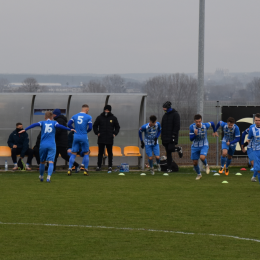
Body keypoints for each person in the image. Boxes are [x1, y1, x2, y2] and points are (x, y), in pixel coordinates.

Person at [19, 111, 75, 182]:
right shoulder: (54, 123)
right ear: (52, 117)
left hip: (43, 145)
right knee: (51, 161)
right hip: (52, 145)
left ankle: (41, 176)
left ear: (45, 117)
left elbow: (34, 125)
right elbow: (61, 126)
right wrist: (70, 129)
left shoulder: (42, 122)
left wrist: (25, 129)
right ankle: (48, 177)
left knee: (42, 162)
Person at [93, 105, 120, 173]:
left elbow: (117, 127)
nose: (106, 111)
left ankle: (110, 166)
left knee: (110, 153)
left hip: (109, 138)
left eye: (108, 110)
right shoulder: (99, 117)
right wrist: (97, 132)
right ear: (104, 110)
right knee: (100, 153)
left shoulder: (113, 118)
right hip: (101, 138)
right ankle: (99, 166)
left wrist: (114, 133)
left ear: (110, 110)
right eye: (105, 110)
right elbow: (95, 126)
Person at [68, 104, 92, 176]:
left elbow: (69, 124)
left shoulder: (74, 116)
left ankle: (69, 169)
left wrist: (74, 129)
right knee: (86, 153)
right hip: (84, 136)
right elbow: (90, 127)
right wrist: (86, 131)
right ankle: (86, 170)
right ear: (87, 109)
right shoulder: (88, 117)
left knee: (73, 153)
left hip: (76, 136)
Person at [189, 114, 216, 180]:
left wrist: (214, 131)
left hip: (204, 144)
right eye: (197, 122)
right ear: (194, 121)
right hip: (195, 146)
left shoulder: (205, 125)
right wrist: (195, 135)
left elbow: (212, 123)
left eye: (199, 121)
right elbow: (191, 139)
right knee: (195, 162)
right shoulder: (192, 127)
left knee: (202, 157)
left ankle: (206, 165)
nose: (198, 123)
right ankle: (199, 174)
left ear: (201, 121)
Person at [161, 101, 183, 173]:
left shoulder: (175, 114)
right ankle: (169, 168)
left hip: (172, 136)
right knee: (168, 152)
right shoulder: (165, 116)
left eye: (165, 109)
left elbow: (177, 126)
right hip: (165, 137)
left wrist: (174, 135)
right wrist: (162, 136)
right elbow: (163, 126)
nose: (164, 110)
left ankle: (178, 149)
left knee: (170, 148)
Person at [247, 113, 260, 184]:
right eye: (256, 120)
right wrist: (245, 144)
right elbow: (249, 139)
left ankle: (254, 176)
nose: (257, 122)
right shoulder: (252, 129)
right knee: (259, 169)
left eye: (259, 120)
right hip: (256, 151)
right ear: (254, 120)